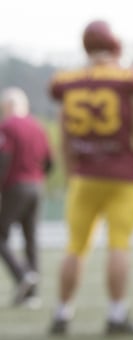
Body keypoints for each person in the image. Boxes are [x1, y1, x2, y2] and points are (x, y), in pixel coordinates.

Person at [48, 20, 133, 335]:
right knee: (119, 245)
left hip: (84, 176)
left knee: (75, 246)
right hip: (122, 175)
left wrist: (71, 173)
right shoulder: (130, 78)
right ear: (116, 46)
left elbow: (65, 136)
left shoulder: (68, 81)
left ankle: (61, 313)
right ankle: (115, 314)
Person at [0, 87, 52, 308]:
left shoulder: (7, 126)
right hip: (37, 185)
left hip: (15, 185)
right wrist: (38, 178)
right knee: (31, 237)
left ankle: (22, 276)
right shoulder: (38, 126)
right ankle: (32, 294)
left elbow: (4, 156)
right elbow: (50, 161)